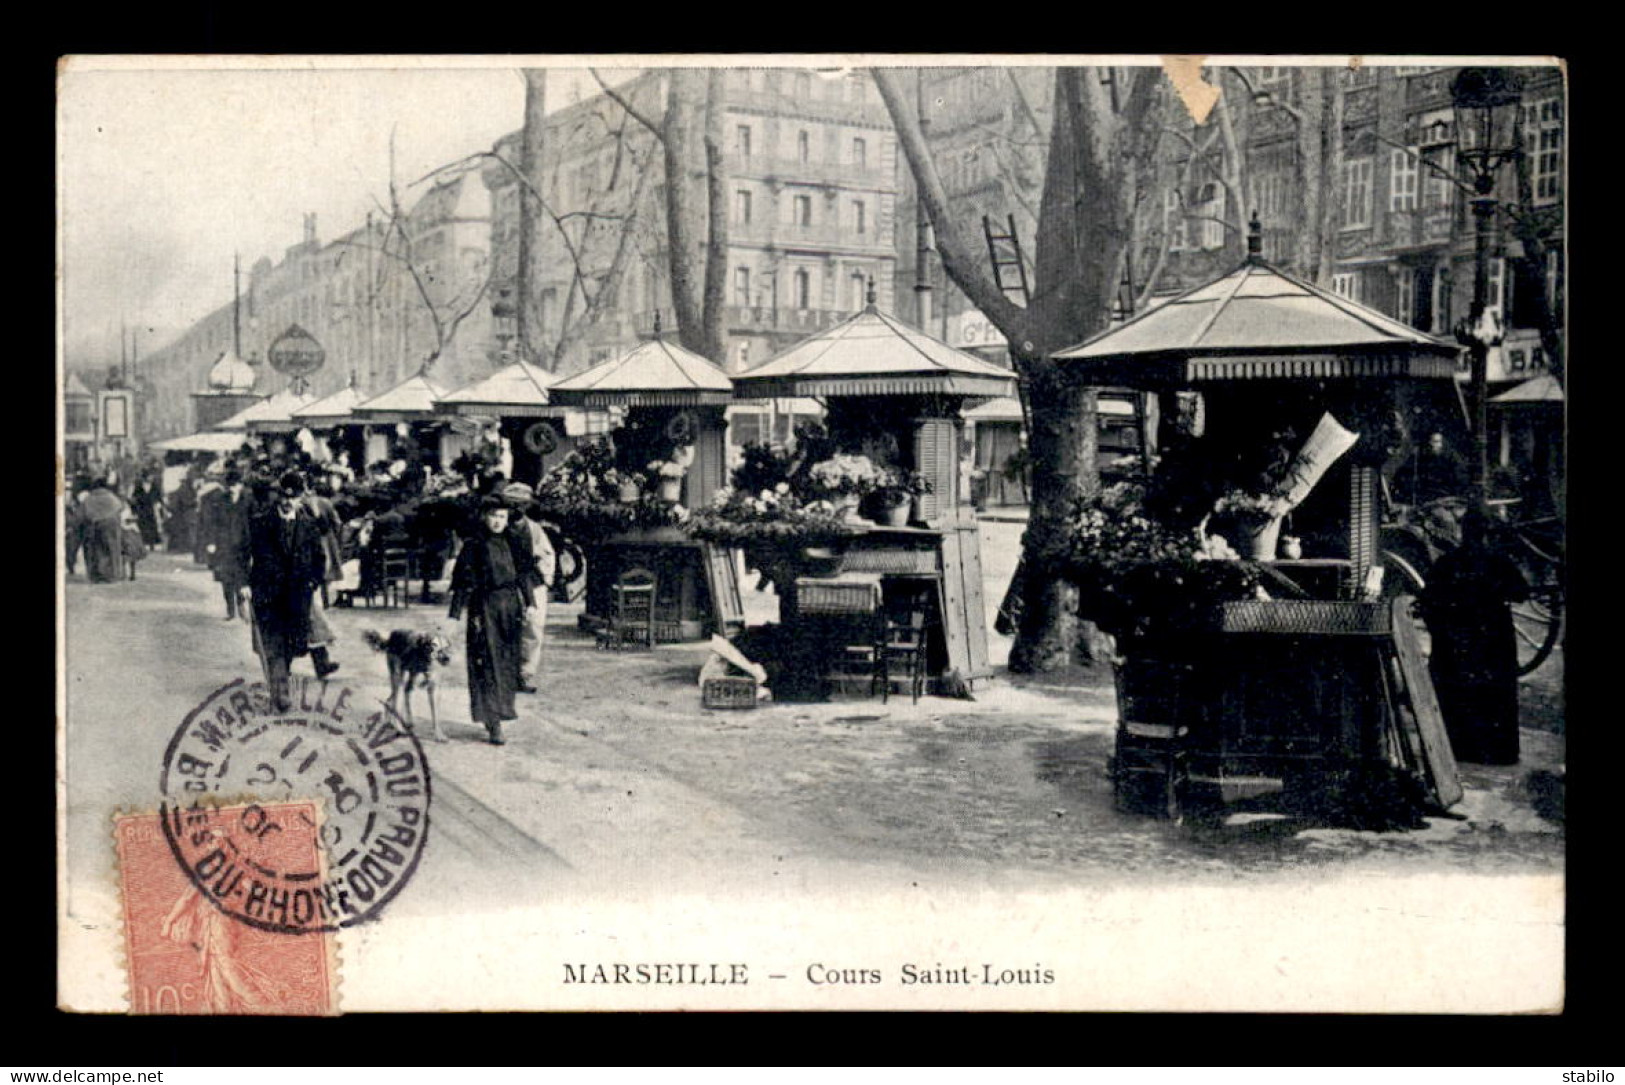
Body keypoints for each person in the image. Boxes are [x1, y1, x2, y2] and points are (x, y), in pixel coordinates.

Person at [1418, 504, 1530, 765]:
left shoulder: (1447, 563)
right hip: (1493, 645)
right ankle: (1498, 754)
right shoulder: (1499, 563)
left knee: (1457, 693)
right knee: (1494, 696)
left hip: (1457, 647)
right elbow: (1521, 594)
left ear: (1463, 531)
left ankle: (1458, 750)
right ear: (1487, 533)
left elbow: (1427, 602)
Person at [447, 496, 533, 745]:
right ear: (484, 517)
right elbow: (462, 584)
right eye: (493, 516)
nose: (497, 521)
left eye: (502, 517)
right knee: (487, 662)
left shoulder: (513, 542)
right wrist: (454, 615)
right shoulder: (474, 545)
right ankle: (493, 721)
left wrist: (530, 603)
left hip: (510, 607)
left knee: (507, 662)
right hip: (484, 607)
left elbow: (524, 574)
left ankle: (500, 711)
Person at [247, 471, 328, 712]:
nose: (286, 501)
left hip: (298, 597)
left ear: (301, 498)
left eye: (292, 498)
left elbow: (319, 559)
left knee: (292, 645)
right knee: (274, 645)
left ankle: (280, 682)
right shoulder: (261, 523)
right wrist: (245, 586)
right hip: (268, 596)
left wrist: (313, 582)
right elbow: (244, 554)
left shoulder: (309, 526)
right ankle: (281, 696)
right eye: (283, 496)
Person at [516, 499, 557, 693]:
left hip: (534, 583)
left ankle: (525, 674)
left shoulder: (534, 529)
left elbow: (548, 555)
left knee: (533, 628)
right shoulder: (501, 526)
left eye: (520, 504)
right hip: (510, 584)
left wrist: (546, 578)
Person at [204, 470, 252, 621]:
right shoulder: (220, 500)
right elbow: (212, 523)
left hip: (243, 545)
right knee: (226, 579)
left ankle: (240, 604)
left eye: (235, 485)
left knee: (241, 577)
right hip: (224, 545)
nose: (232, 488)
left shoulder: (248, 501)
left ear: (240, 486)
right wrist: (211, 542)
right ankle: (230, 610)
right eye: (229, 485)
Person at [80, 479, 128, 584]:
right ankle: (113, 575)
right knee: (113, 550)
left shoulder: (88, 498)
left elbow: (83, 514)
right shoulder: (111, 497)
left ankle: (95, 575)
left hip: (94, 526)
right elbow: (120, 507)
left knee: (95, 551)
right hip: (111, 526)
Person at [1411, 431, 1469, 504]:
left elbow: (1460, 480)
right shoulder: (1425, 458)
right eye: (1432, 442)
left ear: (1442, 443)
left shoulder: (1452, 459)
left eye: (1436, 442)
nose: (1433, 445)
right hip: (1428, 498)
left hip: (1447, 497)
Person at [130, 473, 165, 550]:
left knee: (152, 526)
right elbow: (134, 499)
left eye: (151, 477)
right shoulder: (138, 488)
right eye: (149, 477)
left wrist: (160, 505)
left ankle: (152, 544)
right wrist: (134, 510)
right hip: (142, 509)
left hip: (152, 509)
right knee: (143, 526)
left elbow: (159, 497)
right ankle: (144, 545)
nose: (151, 479)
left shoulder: (155, 487)